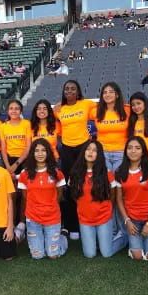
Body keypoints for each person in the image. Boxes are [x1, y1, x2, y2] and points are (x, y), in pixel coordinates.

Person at [54, 80, 97, 239]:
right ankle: (72, 224)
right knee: (70, 187)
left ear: (78, 91)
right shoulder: (59, 109)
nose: (69, 91)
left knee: (86, 185)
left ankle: (88, 220)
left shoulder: (86, 104)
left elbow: (106, 106)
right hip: (66, 150)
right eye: (67, 89)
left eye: (73, 88)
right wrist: (57, 105)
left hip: (83, 148)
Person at [69, 140, 127, 258]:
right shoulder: (75, 173)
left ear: (99, 155)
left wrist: (104, 210)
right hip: (85, 219)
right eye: (88, 149)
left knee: (106, 253)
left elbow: (112, 196)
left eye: (95, 150)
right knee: (90, 254)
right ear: (83, 152)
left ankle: (124, 237)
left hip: (103, 217)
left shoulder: (107, 173)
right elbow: (75, 196)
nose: (91, 152)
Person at [115, 137, 148, 261]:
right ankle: (140, 242)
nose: (133, 151)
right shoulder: (120, 171)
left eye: (137, 148)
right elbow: (119, 199)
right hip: (132, 219)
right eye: (130, 148)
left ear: (143, 151)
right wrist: (127, 221)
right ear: (126, 151)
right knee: (137, 256)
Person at [18, 138, 67, 259]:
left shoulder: (56, 173)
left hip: (52, 216)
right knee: (37, 256)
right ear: (32, 153)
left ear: (48, 153)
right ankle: (45, 240)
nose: (40, 154)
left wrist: (50, 206)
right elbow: (25, 196)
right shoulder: (25, 174)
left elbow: (59, 195)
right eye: (37, 151)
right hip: (33, 217)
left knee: (53, 255)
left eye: (43, 150)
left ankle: (62, 237)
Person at [90, 82, 130, 171]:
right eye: (105, 92)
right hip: (102, 152)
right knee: (106, 181)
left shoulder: (127, 110)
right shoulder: (96, 111)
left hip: (122, 152)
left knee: (119, 181)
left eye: (111, 92)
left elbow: (144, 112)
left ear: (117, 95)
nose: (107, 94)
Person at [0, 99, 32, 177]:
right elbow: (3, 149)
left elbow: (28, 147)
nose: (14, 111)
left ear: (21, 111)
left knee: (23, 183)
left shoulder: (27, 124)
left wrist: (16, 164)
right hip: (9, 159)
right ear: (7, 111)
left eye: (17, 108)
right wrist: (8, 166)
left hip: (24, 159)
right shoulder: (3, 126)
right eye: (11, 108)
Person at [128, 92, 148, 163]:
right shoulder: (131, 122)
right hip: (135, 163)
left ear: (145, 104)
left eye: (138, 103)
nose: (136, 107)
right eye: (133, 105)